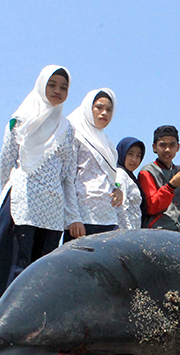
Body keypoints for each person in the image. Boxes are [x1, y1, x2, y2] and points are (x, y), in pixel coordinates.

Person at [0, 65, 80, 325]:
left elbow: (68, 177)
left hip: (51, 214)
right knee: (12, 272)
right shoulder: (20, 120)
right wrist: (16, 193)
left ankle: (29, 340)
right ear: (41, 85)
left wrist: (73, 215)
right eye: (53, 85)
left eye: (64, 87)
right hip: (21, 207)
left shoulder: (68, 129)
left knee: (41, 281)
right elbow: (6, 164)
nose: (58, 91)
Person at [63, 88, 123, 243]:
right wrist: (73, 218)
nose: (104, 113)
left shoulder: (109, 145)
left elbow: (108, 177)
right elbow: (68, 179)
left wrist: (117, 189)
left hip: (108, 218)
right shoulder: (75, 135)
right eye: (99, 107)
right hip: (83, 216)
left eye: (109, 110)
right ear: (89, 108)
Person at [138, 125, 180, 233]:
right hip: (158, 233)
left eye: (172, 145)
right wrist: (171, 186)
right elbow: (151, 207)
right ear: (154, 147)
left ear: (178, 147)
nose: (167, 149)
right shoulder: (147, 172)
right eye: (162, 145)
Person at [116, 137, 147, 230]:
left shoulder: (131, 178)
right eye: (130, 154)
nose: (134, 159)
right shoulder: (120, 174)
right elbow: (120, 206)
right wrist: (127, 233)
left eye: (138, 156)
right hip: (125, 234)